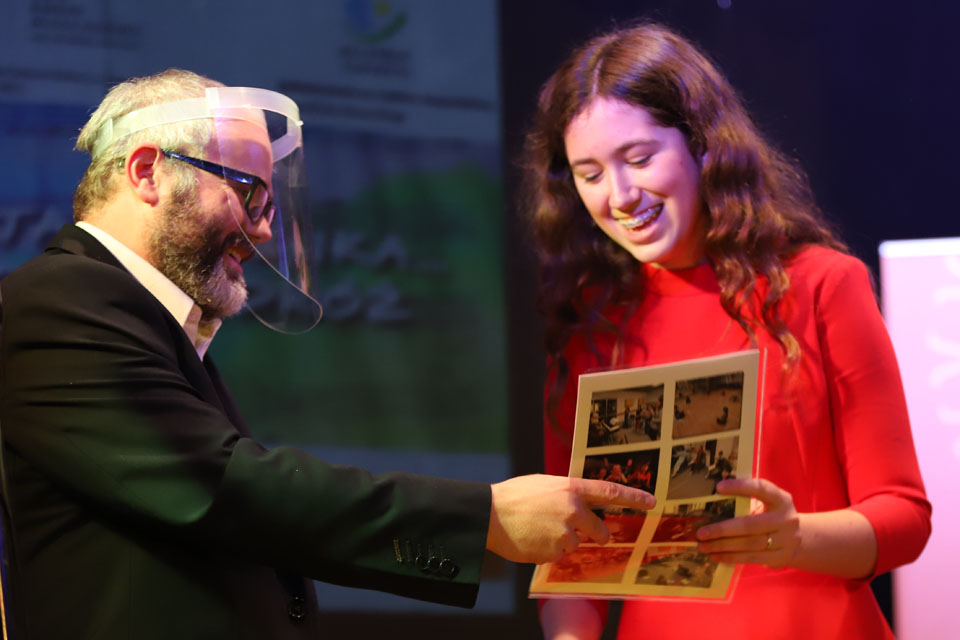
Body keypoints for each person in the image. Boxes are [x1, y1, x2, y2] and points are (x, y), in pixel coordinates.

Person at [0, 69, 657, 640]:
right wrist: (485, 519)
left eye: (269, 202)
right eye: (248, 193)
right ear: (148, 172)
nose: (263, 228)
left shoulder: (142, 318)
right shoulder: (59, 299)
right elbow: (224, 487)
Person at [523, 22, 930, 640]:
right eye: (590, 173)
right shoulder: (589, 326)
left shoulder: (820, 284)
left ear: (703, 145)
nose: (621, 195)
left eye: (639, 158)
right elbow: (573, 552)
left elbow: (903, 518)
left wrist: (794, 538)